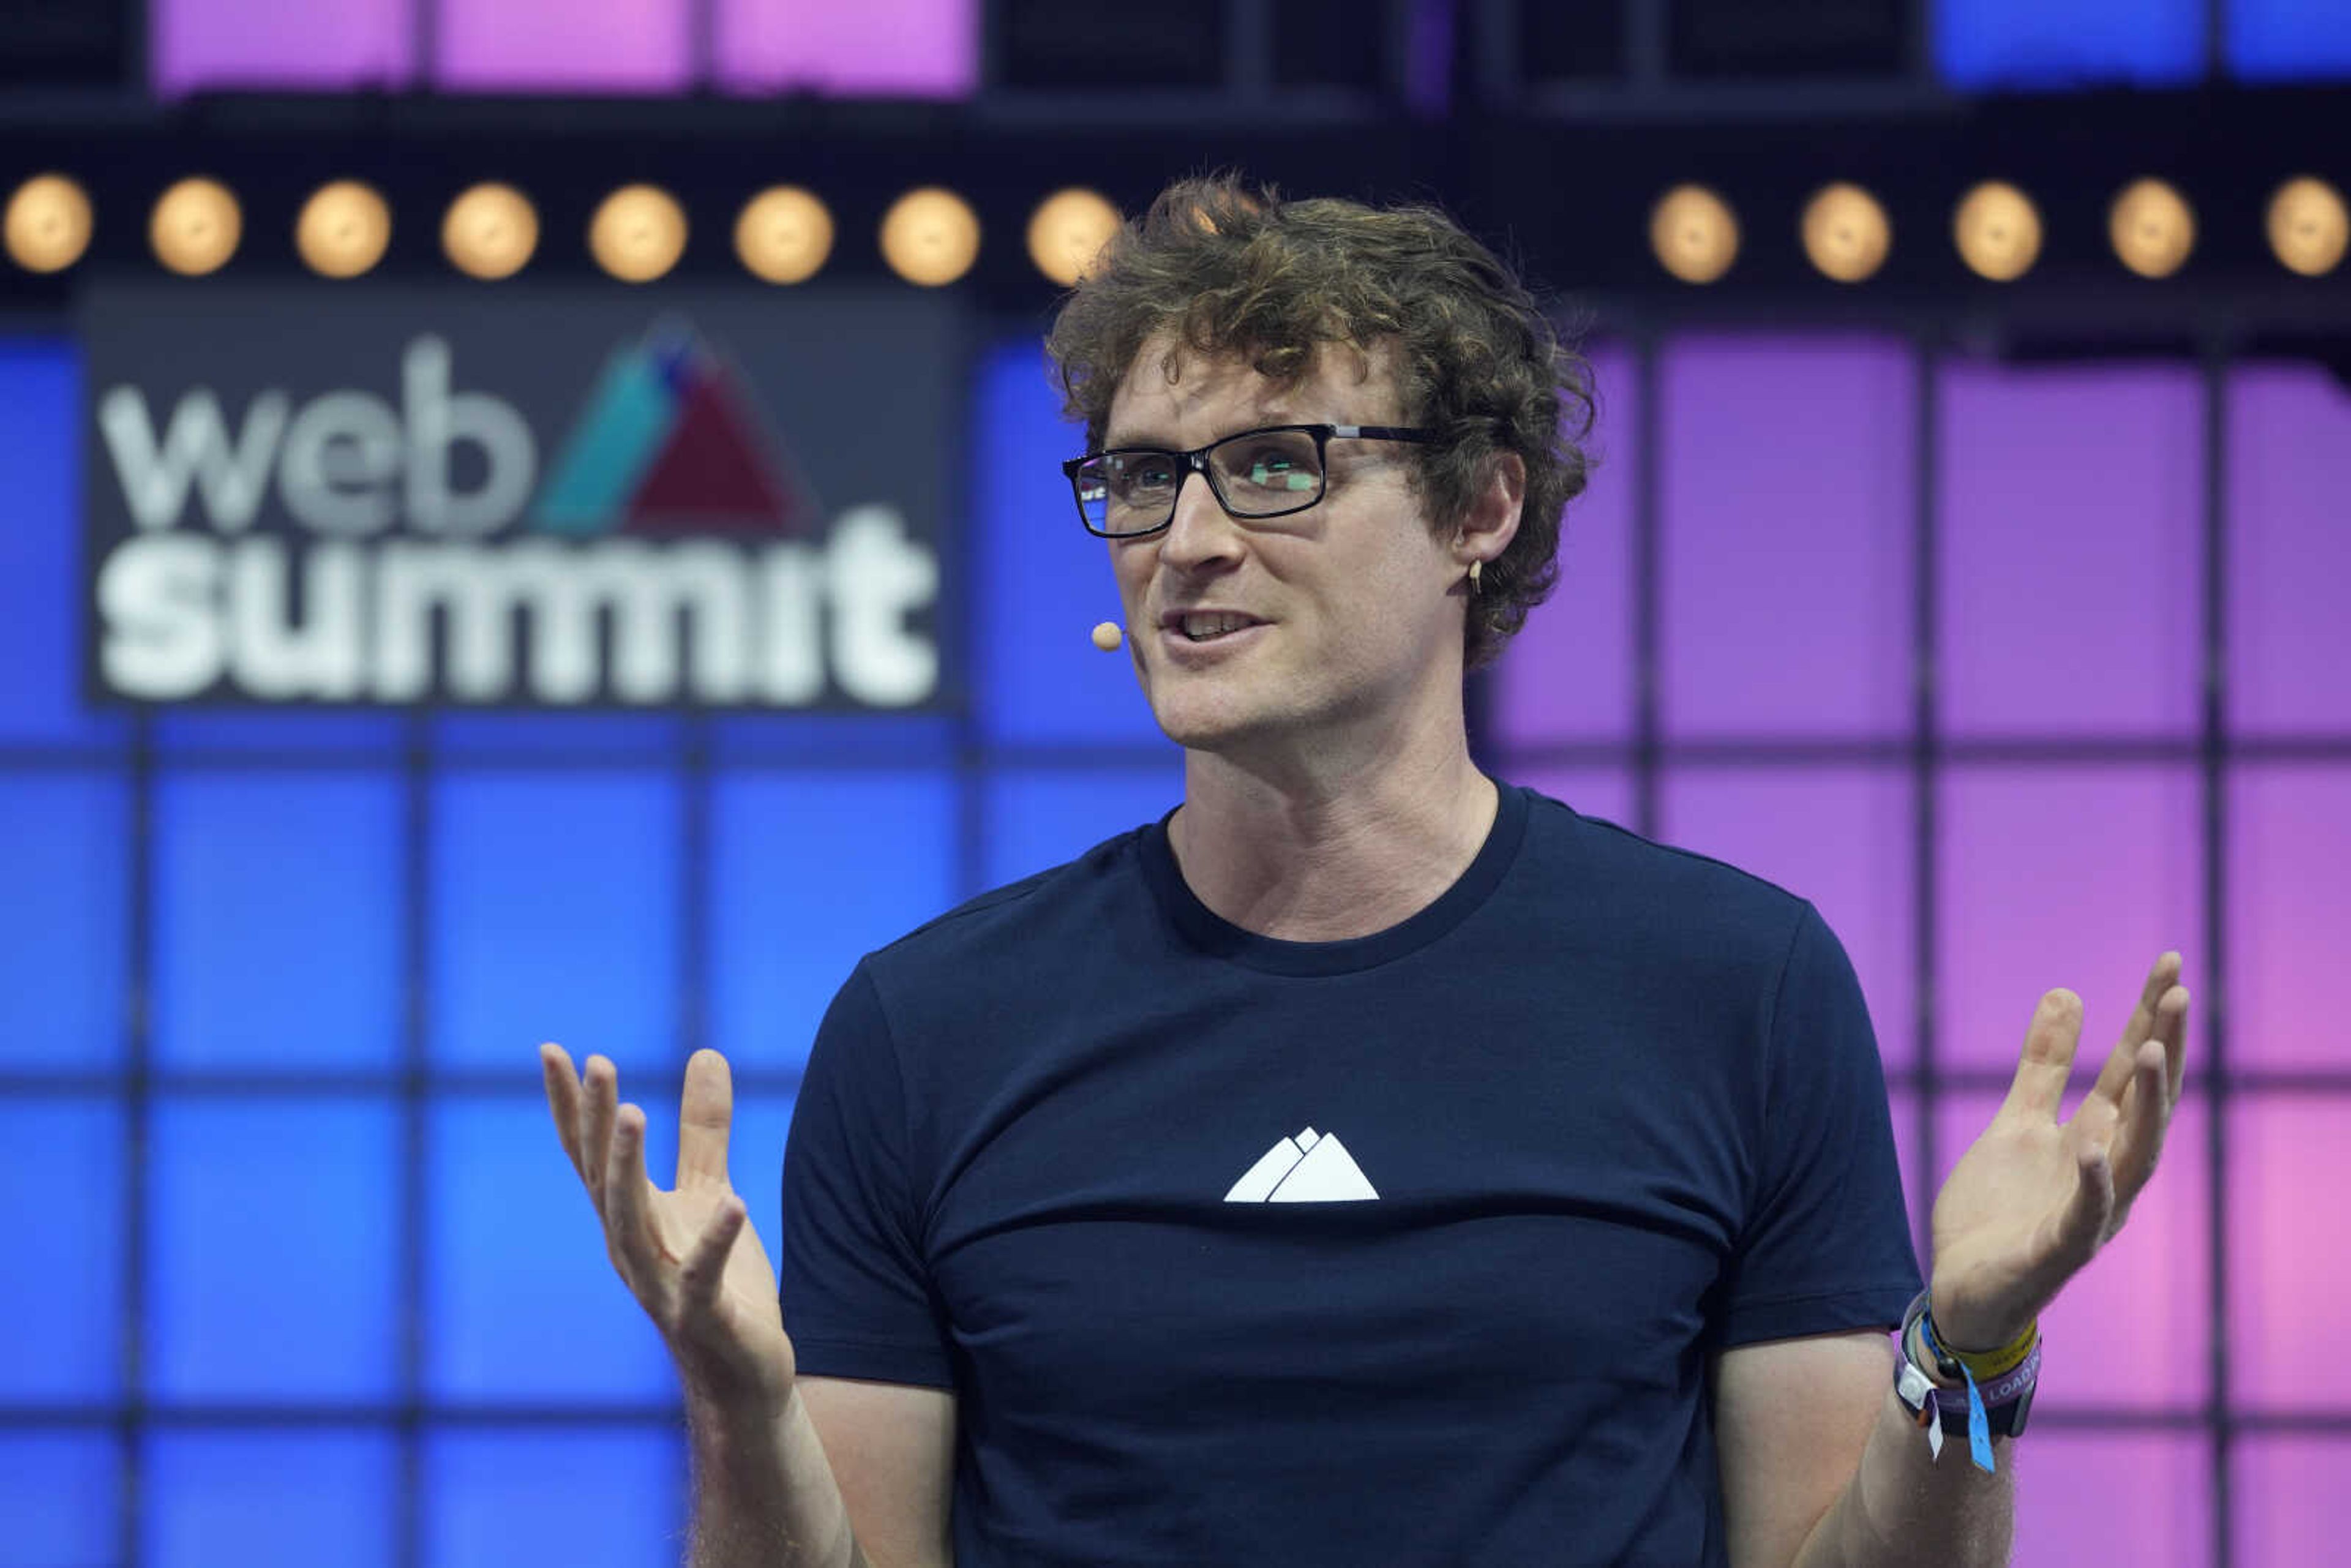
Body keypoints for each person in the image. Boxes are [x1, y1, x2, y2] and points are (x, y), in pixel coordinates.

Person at [539, 174, 2191, 1567]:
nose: (1185, 540)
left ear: (1480, 501)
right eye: (1140, 478)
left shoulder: (1734, 985)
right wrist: (740, 1408)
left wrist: (1968, 1350)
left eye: (1276, 465)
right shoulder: (929, 1027)